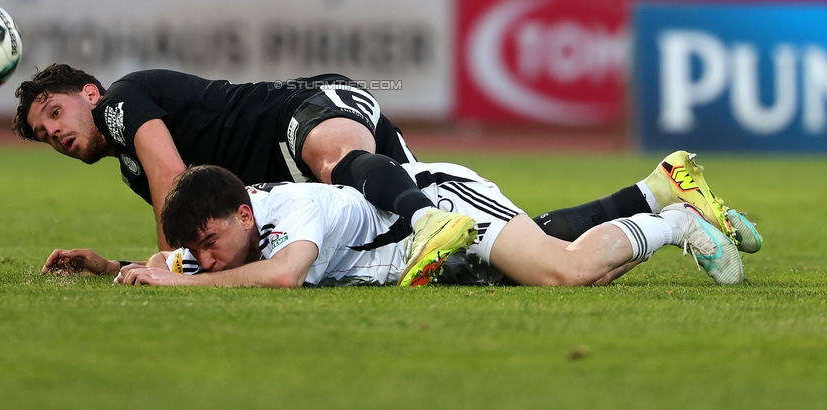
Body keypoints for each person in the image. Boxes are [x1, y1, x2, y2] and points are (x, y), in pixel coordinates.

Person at [14, 65, 479, 284]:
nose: (55, 132)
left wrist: (171, 278)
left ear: (91, 94)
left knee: (337, 163)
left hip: (301, 109)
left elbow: (175, 185)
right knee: (473, 234)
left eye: (56, 112)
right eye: (44, 132)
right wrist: (113, 268)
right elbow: (205, 242)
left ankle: (425, 218)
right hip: (310, 166)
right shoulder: (133, 169)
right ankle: (531, 238)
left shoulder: (119, 102)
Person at [44, 151, 762, 288]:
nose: (207, 256)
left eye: (211, 241)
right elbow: (184, 263)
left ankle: (677, 227)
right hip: (433, 255)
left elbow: (286, 276)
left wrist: (180, 287)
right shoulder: (224, 235)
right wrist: (109, 266)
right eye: (199, 250)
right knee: (562, 252)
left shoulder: (293, 210)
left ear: (243, 212)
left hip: (440, 206)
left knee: (564, 273)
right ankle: (660, 189)